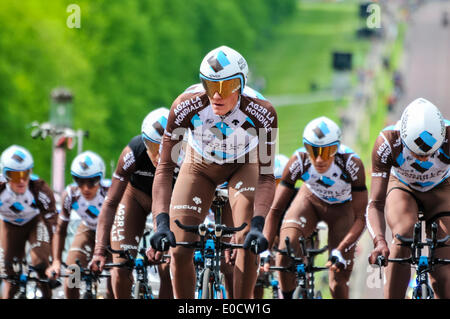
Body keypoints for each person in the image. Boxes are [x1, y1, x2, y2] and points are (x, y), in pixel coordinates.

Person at [148, 45, 278, 299]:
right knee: (180, 246)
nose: (216, 96)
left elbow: (266, 176)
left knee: (245, 241)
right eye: (209, 86)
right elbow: (165, 168)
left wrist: (258, 225)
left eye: (226, 87)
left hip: (244, 165)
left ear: (240, 85)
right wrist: (161, 223)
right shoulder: (185, 105)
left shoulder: (263, 113)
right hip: (199, 165)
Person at [263, 117, 368, 299]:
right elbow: (275, 210)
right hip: (310, 200)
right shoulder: (298, 160)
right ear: (305, 148)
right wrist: (264, 248)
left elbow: (361, 217)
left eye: (327, 152)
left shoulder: (352, 163)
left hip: (342, 209)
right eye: (313, 151)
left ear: (337, 148)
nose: (319, 159)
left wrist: (341, 249)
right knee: (286, 250)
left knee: (338, 278)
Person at [367, 98, 450, 298]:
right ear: (403, 139)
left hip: (442, 188)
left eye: (430, 153)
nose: (423, 159)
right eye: (416, 153)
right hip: (403, 187)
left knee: (444, 246)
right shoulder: (388, 142)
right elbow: (375, 203)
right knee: (403, 234)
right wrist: (379, 241)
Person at [90, 107, 174, 299]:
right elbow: (111, 202)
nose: (159, 156)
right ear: (144, 142)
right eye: (153, 148)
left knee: (168, 264)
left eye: (165, 149)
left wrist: (161, 239)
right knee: (120, 265)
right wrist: (100, 251)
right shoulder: (132, 152)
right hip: (135, 197)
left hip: (169, 202)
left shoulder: (186, 154)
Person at [46, 151, 113, 299]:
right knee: (72, 274)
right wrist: (56, 261)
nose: (86, 188)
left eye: (92, 181)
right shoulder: (70, 195)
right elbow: (61, 230)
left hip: (112, 231)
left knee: (114, 281)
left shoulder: (111, 190)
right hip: (88, 228)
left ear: (101, 177)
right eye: (79, 181)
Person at [0, 145, 57, 298]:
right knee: (9, 271)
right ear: (5, 175)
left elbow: (52, 222)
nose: (22, 181)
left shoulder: (39, 189)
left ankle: (46, 294)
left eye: (26, 174)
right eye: (15, 175)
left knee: (40, 262)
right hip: (9, 225)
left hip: (34, 223)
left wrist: (54, 255)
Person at [254, 154, 289, 299]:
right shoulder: (258, 202)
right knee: (257, 280)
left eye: (280, 184)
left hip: (282, 241)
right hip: (266, 245)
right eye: (272, 184)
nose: (275, 191)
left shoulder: (293, 200)